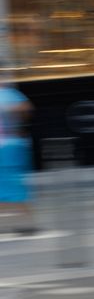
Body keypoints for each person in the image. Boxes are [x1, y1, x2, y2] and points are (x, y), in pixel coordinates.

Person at [0, 73, 36, 235]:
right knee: (10, 186)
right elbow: (26, 108)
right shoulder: (10, 94)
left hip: (9, 147)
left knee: (12, 185)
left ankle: (28, 222)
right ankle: (27, 222)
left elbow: (25, 108)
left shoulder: (8, 94)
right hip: (10, 145)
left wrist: (13, 116)